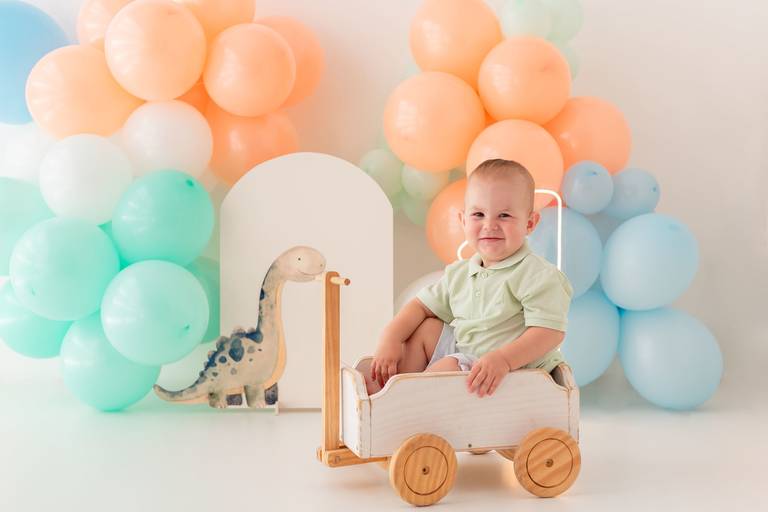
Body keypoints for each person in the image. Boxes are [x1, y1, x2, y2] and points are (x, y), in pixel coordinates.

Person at [366, 158, 573, 397]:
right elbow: (419, 306)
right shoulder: (460, 273)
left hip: (511, 371)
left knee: (448, 366)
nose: (489, 225)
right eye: (478, 214)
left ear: (530, 223)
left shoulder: (536, 274)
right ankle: (391, 387)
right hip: (468, 354)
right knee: (426, 329)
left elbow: (549, 332)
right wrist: (390, 339)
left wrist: (504, 359)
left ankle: (408, 401)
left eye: (504, 215)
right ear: (463, 221)